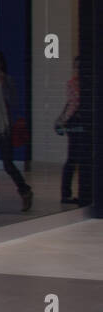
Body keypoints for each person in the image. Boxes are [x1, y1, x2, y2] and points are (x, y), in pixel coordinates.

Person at [0, 51, 32, 213]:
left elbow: (13, 101)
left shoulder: (6, 80)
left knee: (7, 164)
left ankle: (25, 191)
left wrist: (3, 84)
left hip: (3, 127)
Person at [56, 56, 86, 205]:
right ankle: (67, 193)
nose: (78, 70)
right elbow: (73, 104)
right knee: (74, 159)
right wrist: (63, 120)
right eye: (77, 67)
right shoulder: (73, 84)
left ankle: (75, 193)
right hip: (75, 122)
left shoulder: (84, 83)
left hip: (77, 121)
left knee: (77, 159)